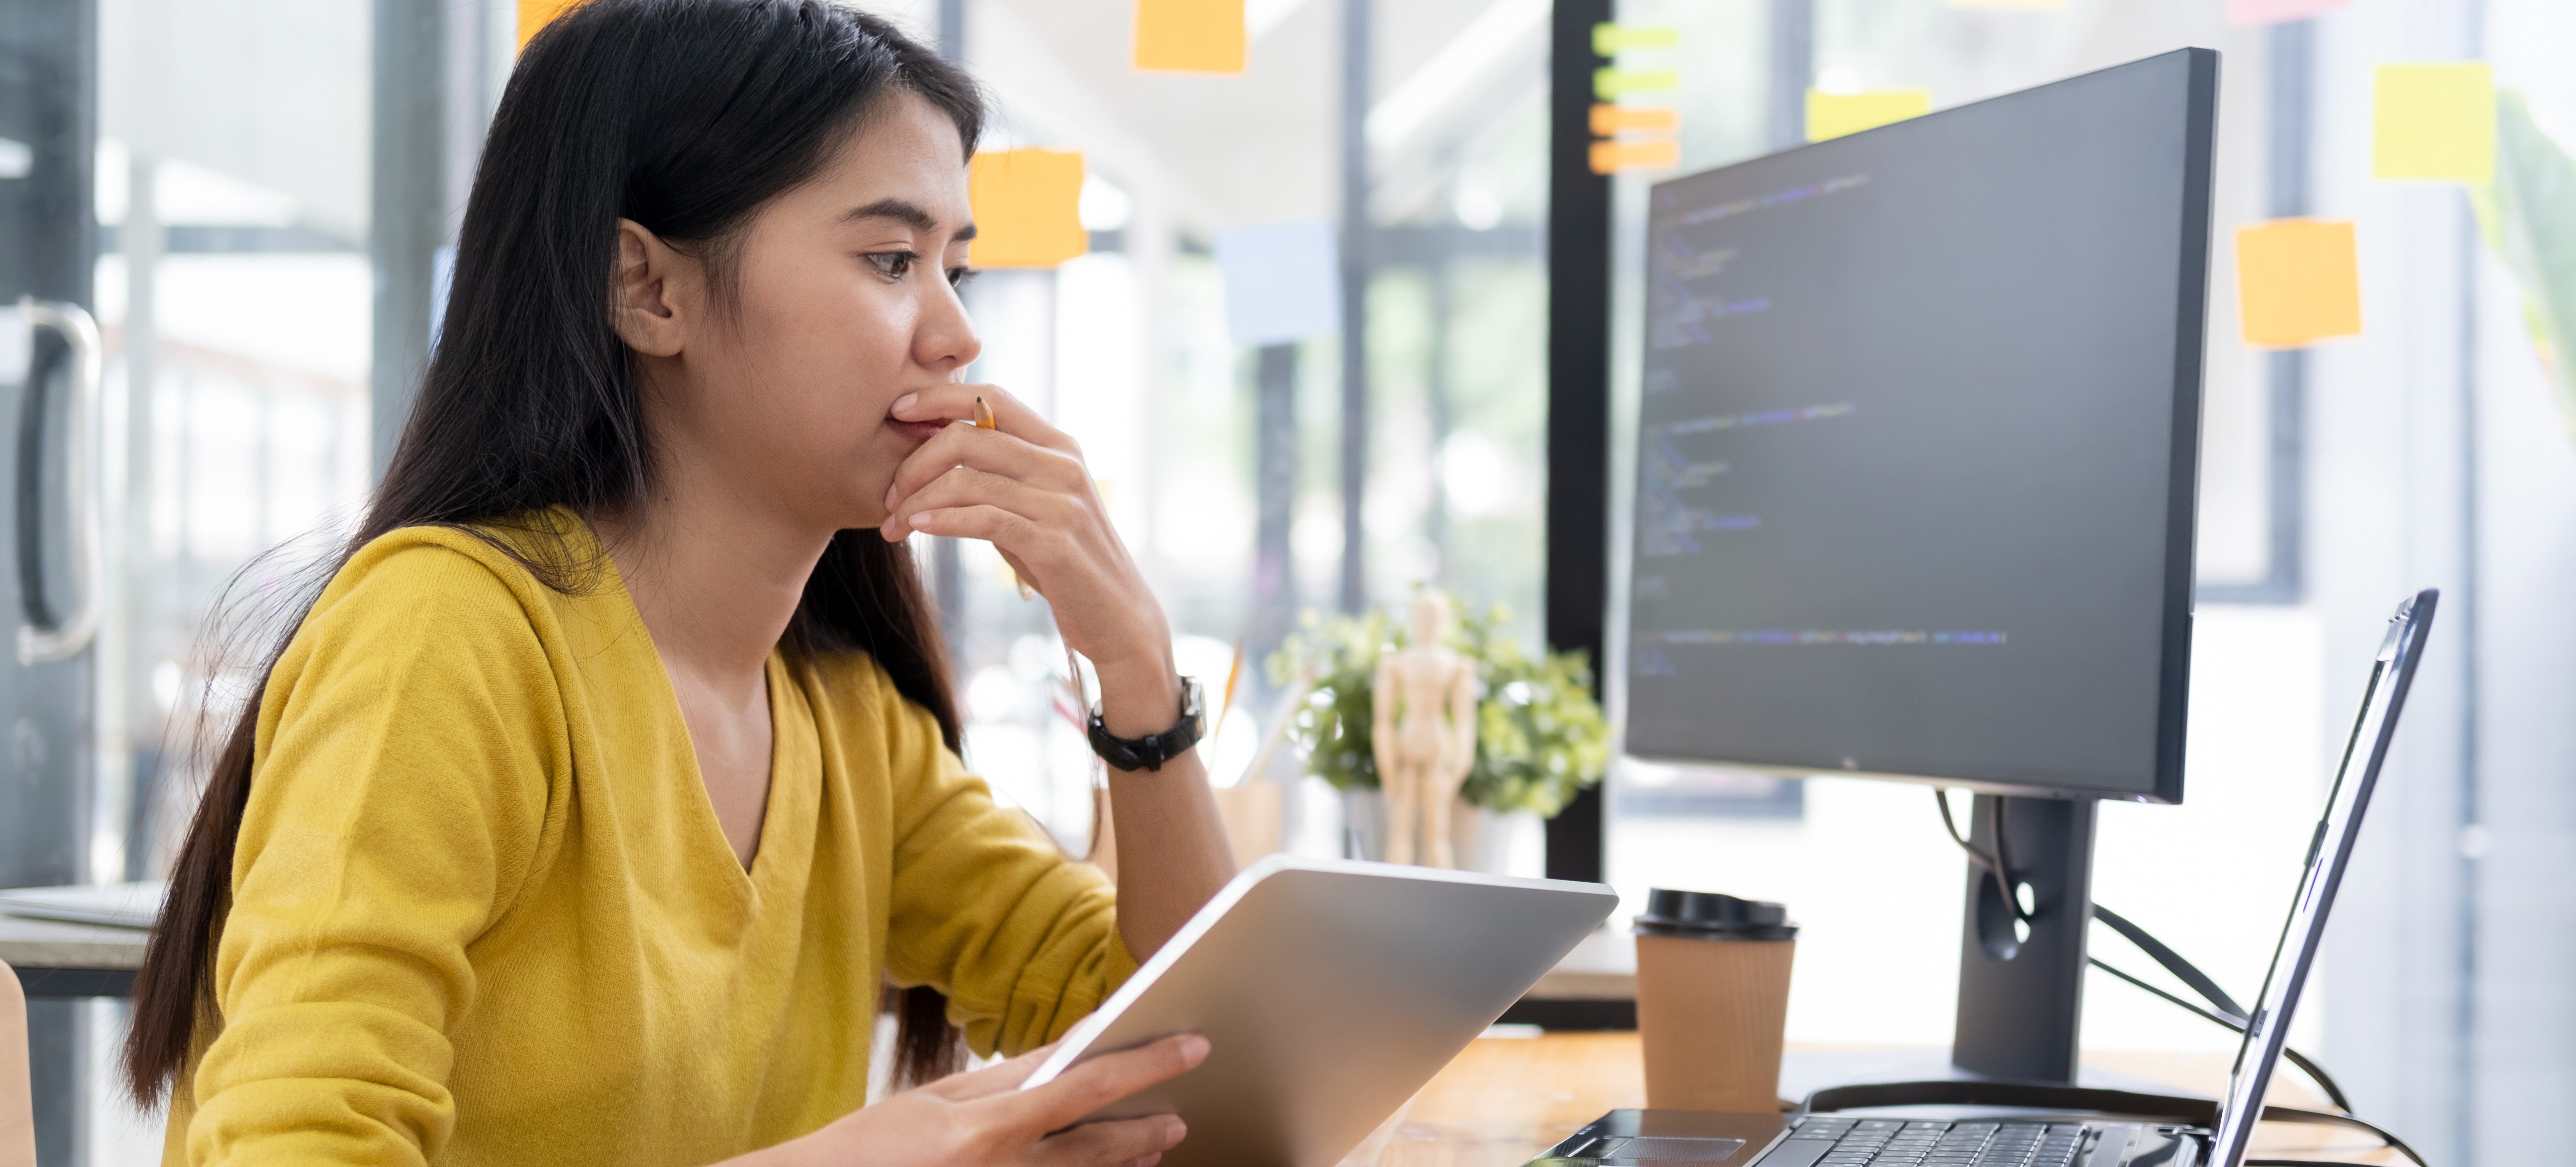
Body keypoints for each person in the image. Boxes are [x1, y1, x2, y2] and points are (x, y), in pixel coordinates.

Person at [121, 2, 1236, 1164]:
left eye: (956, 267)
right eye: (892, 259)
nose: (957, 335)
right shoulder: (443, 641)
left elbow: (1186, 1069)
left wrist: (1139, 670)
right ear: (649, 290)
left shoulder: (844, 721)